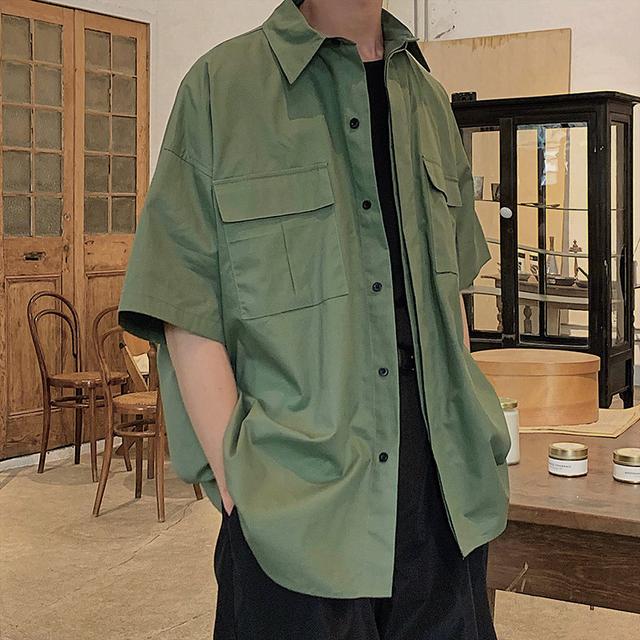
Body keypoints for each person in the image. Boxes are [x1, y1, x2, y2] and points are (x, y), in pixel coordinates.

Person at [118, 0, 511, 638]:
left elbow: (451, 296)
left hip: (444, 504)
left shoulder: (429, 100)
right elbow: (184, 304)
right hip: (295, 510)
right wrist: (240, 481)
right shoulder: (221, 89)